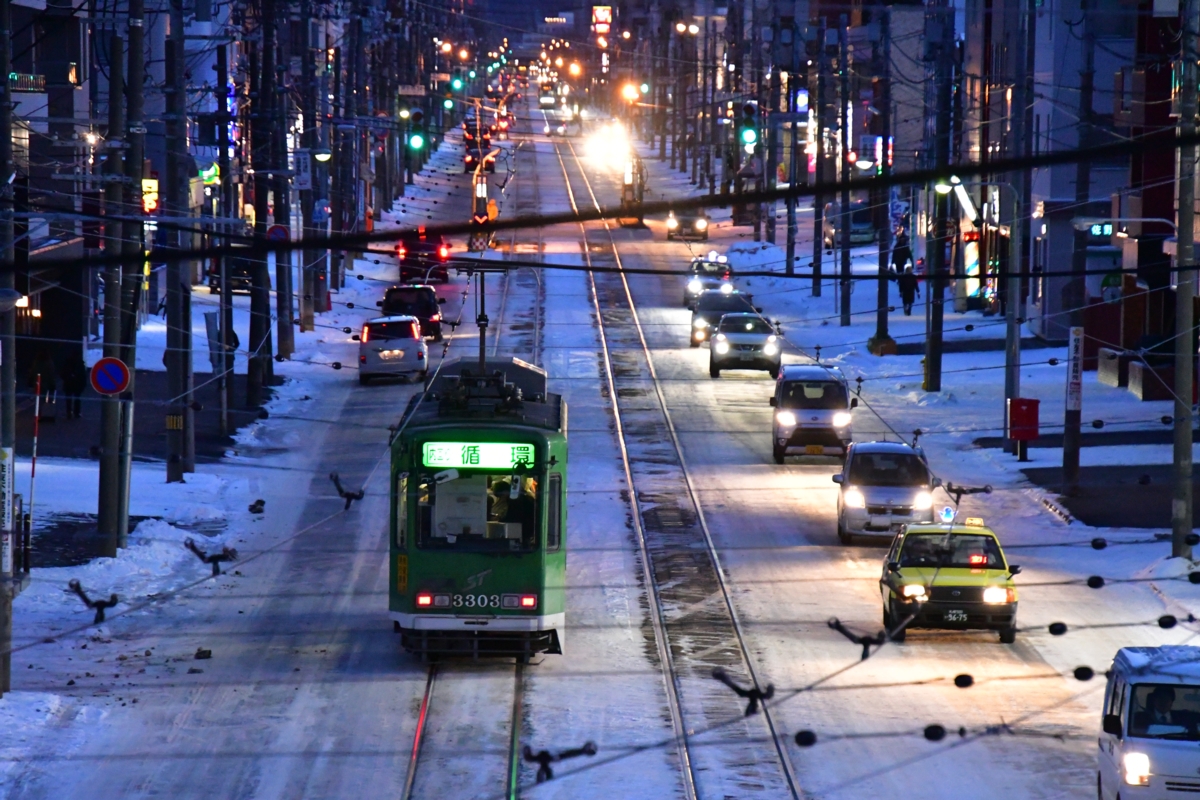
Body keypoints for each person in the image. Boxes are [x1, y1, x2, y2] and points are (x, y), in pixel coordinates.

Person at [27, 348, 58, 421]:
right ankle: (47, 413)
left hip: (38, 383)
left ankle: (39, 414)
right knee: (48, 399)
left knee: (39, 400)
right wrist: (53, 384)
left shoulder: (36, 362)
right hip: (47, 383)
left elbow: (32, 372)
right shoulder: (49, 363)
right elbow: (51, 374)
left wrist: (31, 381)